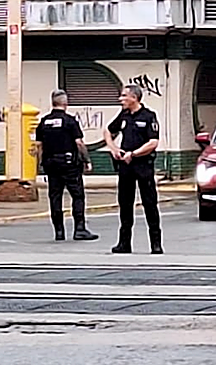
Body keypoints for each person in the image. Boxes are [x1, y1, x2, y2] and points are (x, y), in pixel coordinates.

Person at [34, 89, 97, 242]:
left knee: (55, 197)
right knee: (77, 195)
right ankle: (79, 229)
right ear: (66, 103)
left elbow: (39, 146)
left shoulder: (43, 122)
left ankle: (59, 232)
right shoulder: (70, 121)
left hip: (51, 163)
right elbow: (79, 143)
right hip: (69, 164)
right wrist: (86, 160)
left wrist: (40, 165)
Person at [106, 84, 162, 254]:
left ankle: (156, 243)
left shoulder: (148, 116)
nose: (120, 99)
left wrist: (135, 153)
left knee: (149, 204)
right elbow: (108, 131)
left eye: (124, 96)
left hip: (143, 165)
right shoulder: (124, 116)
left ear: (134, 98)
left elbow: (153, 142)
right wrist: (114, 149)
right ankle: (124, 242)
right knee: (125, 204)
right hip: (125, 166)